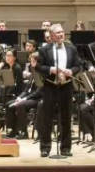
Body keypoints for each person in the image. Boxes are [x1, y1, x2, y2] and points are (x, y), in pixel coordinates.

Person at [33, 23, 77, 159]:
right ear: (52, 36)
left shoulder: (71, 48)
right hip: (50, 86)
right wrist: (51, 70)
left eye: (62, 32)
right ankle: (45, 147)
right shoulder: (45, 50)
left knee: (66, 118)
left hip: (66, 86)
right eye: (57, 33)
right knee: (47, 118)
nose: (61, 34)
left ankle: (65, 147)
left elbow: (78, 65)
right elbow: (38, 67)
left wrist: (71, 71)